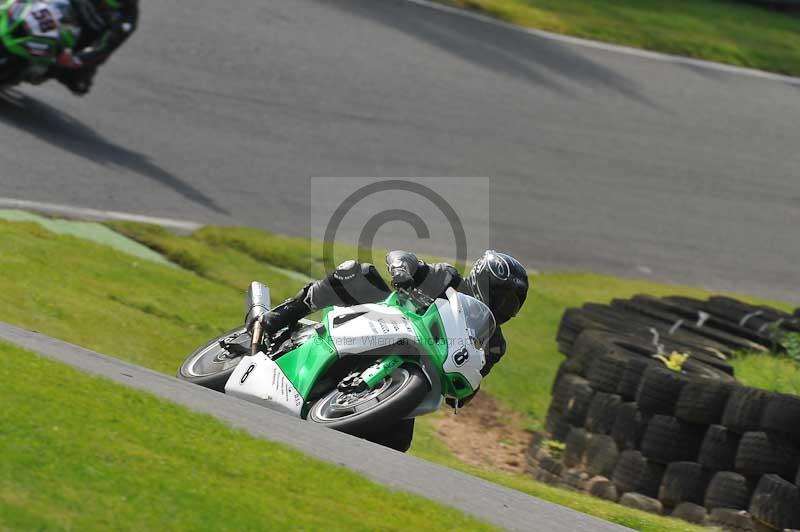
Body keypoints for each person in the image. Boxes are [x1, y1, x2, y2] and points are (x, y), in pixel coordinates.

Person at [247, 250, 529, 452]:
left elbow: (474, 377)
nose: (504, 308)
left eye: (511, 305)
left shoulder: (495, 343)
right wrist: (402, 271)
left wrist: (465, 390)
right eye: (501, 297)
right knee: (357, 273)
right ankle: (280, 315)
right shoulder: (447, 278)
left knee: (397, 443)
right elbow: (401, 257)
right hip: (384, 319)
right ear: (482, 280)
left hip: (419, 366)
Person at [53, 0, 139, 95]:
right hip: (58, 17)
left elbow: (106, 46)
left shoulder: (127, 18)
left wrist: (77, 59)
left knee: (78, 81)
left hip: (77, 46)